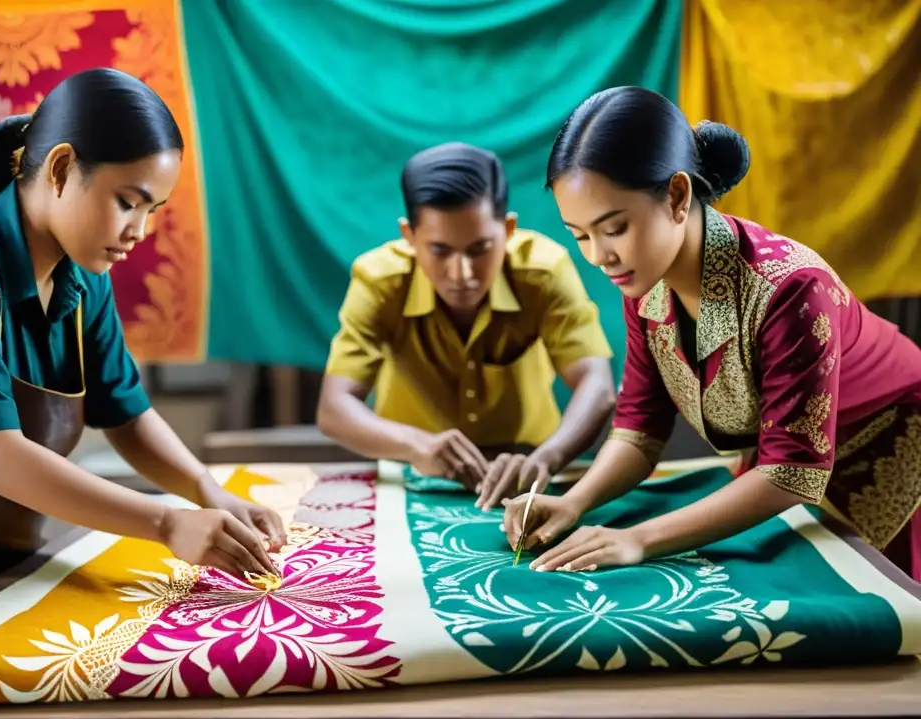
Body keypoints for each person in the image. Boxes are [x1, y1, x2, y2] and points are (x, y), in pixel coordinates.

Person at [0, 68, 285, 629]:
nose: (139, 231)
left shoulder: (84, 278)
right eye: (128, 202)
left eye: (152, 211)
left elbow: (125, 414)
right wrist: (168, 524)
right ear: (59, 168)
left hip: (9, 564)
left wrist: (208, 491)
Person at [503, 86, 921, 581]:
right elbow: (639, 430)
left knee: (872, 615)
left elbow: (791, 473)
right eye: (581, 236)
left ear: (678, 196)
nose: (598, 256)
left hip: (890, 446)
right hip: (783, 464)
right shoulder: (644, 281)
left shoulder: (790, 289)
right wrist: (574, 502)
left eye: (614, 228)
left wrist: (636, 539)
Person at [317, 142, 616, 510]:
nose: (462, 274)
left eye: (479, 249)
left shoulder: (544, 271)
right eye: (440, 250)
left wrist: (547, 458)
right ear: (409, 236)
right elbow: (334, 407)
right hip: (412, 477)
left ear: (508, 229)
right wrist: (416, 445)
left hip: (526, 476)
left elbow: (597, 384)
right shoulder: (378, 280)